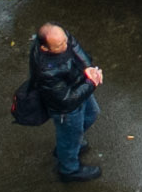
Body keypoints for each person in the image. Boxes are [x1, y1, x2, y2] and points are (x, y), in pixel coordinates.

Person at [15, 22, 104, 180]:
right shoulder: (46, 71)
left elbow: (74, 46)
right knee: (70, 134)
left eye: (65, 40)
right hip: (66, 109)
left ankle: (69, 145)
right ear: (45, 48)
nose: (65, 46)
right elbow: (67, 100)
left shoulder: (60, 37)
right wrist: (91, 83)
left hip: (79, 86)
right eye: (59, 45)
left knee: (92, 114)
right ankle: (69, 169)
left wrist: (87, 67)